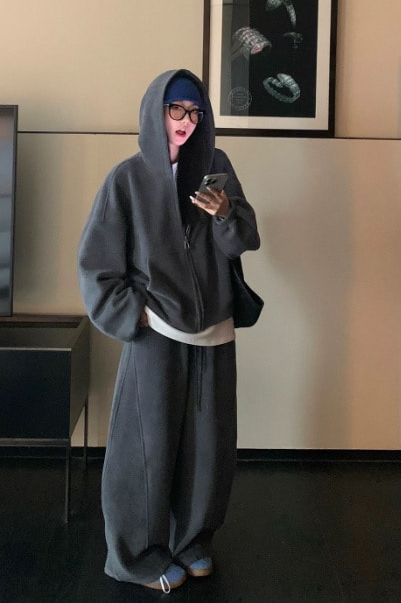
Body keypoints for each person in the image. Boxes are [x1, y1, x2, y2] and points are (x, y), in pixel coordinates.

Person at [77, 69, 260, 593]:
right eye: (176, 109)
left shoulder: (217, 168)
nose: (186, 121)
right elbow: (96, 264)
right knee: (145, 449)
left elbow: (243, 240)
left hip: (215, 331)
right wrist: (132, 313)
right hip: (156, 331)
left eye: (195, 112)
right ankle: (136, 556)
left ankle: (193, 543)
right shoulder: (127, 179)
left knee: (210, 448)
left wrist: (225, 214)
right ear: (155, 112)